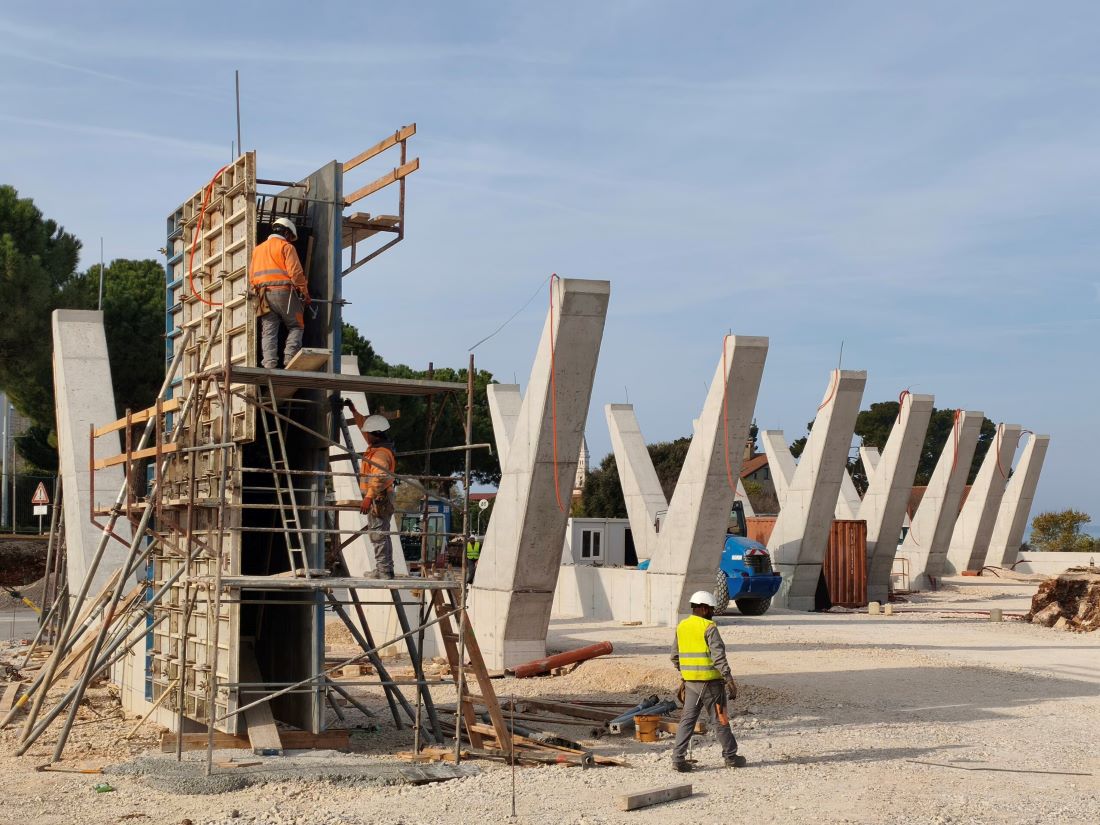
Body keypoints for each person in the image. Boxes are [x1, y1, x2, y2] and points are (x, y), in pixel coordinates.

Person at [670, 590, 745, 772]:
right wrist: (729, 680)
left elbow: (674, 656)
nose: (712, 612)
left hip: (690, 684)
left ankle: (678, 759)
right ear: (703, 609)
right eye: (711, 609)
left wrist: (686, 674)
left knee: (687, 721)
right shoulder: (709, 627)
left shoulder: (682, 626)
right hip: (711, 685)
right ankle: (731, 757)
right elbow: (718, 656)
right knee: (720, 720)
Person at [343, 399, 396, 579]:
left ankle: (383, 571)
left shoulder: (380, 454)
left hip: (379, 497)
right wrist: (354, 411)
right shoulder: (377, 444)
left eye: (368, 433)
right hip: (380, 497)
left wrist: (368, 497)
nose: (366, 435)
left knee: (378, 535)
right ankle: (385, 569)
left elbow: (379, 478)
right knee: (380, 534)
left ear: (375, 434)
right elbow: (362, 426)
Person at [249, 217, 310, 369]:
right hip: (284, 292)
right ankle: (290, 359)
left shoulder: (258, 249)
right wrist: (305, 293)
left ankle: (269, 364)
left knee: (269, 330)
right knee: (297, 325)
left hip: (263, 295)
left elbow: (251, 276)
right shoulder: (286, 247)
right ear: (287, 233)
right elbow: (296, 273)